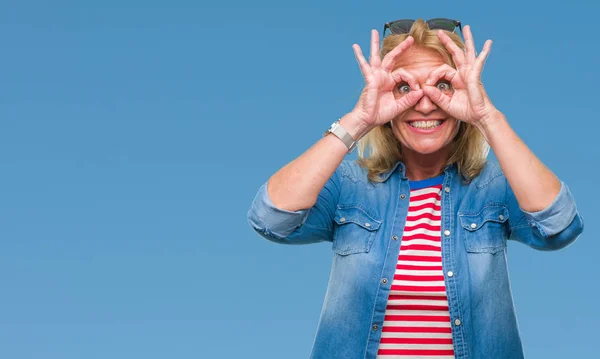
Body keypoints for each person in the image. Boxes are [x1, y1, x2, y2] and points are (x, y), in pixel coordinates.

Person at [247, 18, 584, 359]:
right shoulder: (349, 185)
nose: (425, 104)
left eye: (443, 85)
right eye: (405, 89)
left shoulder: (493, 186)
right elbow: (271, 218)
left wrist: (487, 117)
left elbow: (560, 226)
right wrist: (359, 120)